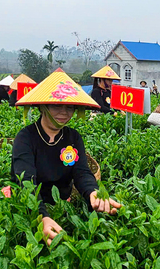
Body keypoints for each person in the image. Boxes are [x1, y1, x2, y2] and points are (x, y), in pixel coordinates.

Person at [12, 69, 122, 245]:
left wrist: (93, 192)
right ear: (42, 106)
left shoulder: (73, 137)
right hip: (31, 204)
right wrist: (42, 216)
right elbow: (26, 180)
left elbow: (81, 172)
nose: (64, 112)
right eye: (56, 105)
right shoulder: (25, 137)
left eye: (69, 106)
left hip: (62, 202)